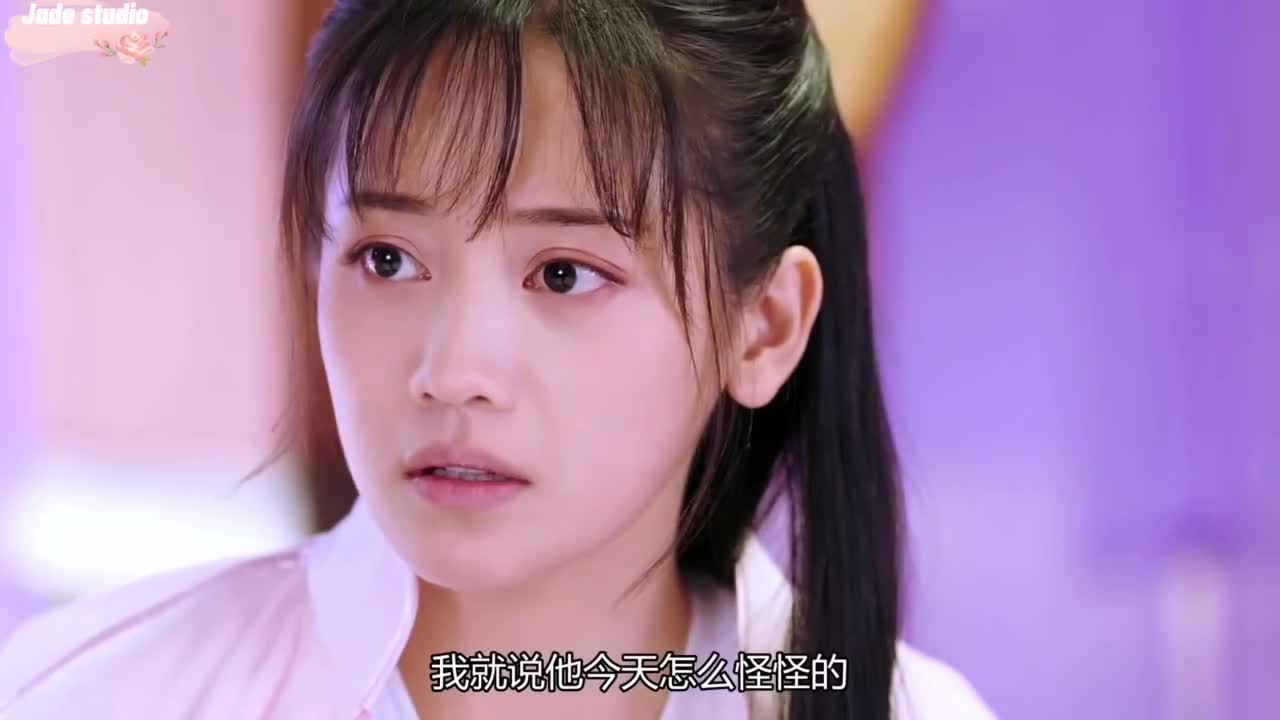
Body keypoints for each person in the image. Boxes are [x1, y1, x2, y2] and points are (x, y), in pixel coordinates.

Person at [0, 1, 996, 718]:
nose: (452, 369)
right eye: (387, 259)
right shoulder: (92, 695)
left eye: (563, 274)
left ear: (764, 326)